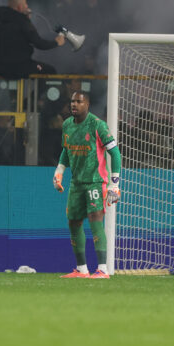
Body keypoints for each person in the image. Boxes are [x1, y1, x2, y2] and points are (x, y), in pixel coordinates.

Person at [53, 91, 121, 279]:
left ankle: (103, 269)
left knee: (95, 220)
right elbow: (66, 150)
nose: (74, 104)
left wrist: (114, 185)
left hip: (95, 182)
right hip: (76, 183)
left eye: (79, 102)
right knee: (73, 222)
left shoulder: (98, 125)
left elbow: (115, 154)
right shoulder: (67, 125)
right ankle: (81, 269)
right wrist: (59, 171)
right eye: (72, 101)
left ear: (87, 104)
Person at [0, 0, 65, 79]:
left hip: (1, 68)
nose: (27, 6)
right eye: (25, 4)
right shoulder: (22, 21)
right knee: (50, 71)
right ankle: (34, 93)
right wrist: (56, 42)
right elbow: (39, 43)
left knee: (16, 83)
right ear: (19, 7)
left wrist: (25, 18)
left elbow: (15, 36)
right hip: (20, 67)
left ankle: (18, 93)